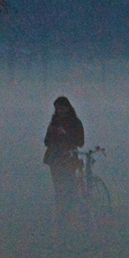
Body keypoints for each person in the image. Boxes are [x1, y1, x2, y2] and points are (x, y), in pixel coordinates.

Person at [43, 96, 85, 224]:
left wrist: (66, 139)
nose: (60, 111)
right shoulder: (54, 123)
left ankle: (69, 214)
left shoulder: (75, 123)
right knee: (59, 188)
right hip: (56, 159)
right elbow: (46, 141)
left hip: (69, 158)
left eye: (62, 108)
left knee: (69, 185)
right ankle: (62, 215)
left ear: (67, 108)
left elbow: (80, 142)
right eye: (57, 108)